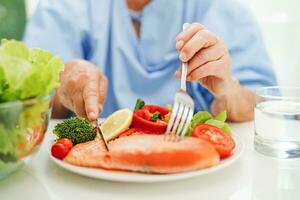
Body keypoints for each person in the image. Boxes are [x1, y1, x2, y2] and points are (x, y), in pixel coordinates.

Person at [24, 0, 276, 122]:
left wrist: (228, 90)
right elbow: (27, 105)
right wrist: (64, 79)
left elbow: (263, 108)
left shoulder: (222, 8)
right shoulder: (65, 6)